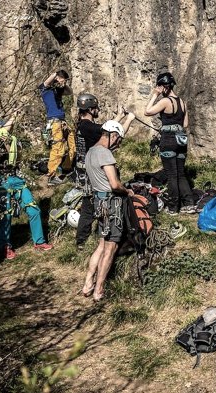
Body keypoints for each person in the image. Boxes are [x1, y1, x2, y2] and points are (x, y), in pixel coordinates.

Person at [81, 119, 134, 302]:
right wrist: (127, 191)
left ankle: (88, 283)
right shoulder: (104, 154)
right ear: (112, 135)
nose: (118, 145)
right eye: (118, 140)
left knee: (101, 244)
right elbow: (114, 184)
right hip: (112, 204)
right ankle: (99, 289)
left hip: (98, 201)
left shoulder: (90, 152)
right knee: (111, 247)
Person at [0, 115, 53, 259]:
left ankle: (39, 241)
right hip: (2, 180)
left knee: (33, 209)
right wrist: (13, 115)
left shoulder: (13, 141)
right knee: (6, 214)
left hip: (16, 179)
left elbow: (18, 159)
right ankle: (4, 245)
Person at [74, 93, 129, 248]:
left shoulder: (83, 126)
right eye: (96, 108)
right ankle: (85, 239)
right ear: (90, 109)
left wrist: (119, 116)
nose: (98, 110)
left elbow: (107, 129)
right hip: (90, 172)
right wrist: (126, 119)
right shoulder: (87, 126)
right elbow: (108, 131)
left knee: (89, 205)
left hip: (84, 170)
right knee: (89, 206)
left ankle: (85, 238)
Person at [144, 72, 194, 215]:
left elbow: (147, 112)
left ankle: (173, 207)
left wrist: (154, 95)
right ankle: (189, 203)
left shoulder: (165, 101)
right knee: (181, 173)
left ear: (164, 87)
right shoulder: (182, 102)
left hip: (169, 140)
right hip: (181, 140)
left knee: (171, 174)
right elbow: (185, 123)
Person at [39, 69, 76, 186]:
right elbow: (45, 83)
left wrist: (64, 83)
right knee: (58, 148)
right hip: (54, 122)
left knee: (72, 143)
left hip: (62, 121)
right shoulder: (45, 90)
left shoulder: (57, 91)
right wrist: (56, 75)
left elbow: (70, 92)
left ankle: (66, 167)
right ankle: (50, 175)